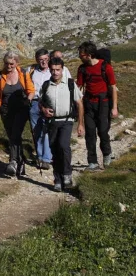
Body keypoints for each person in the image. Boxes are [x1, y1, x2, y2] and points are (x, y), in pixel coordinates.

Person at [40, 56, 84, 192]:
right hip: (52, 122)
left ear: (62, 69)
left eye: (58, 70)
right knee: (54, 150)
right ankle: (57, 179)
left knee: (63, 146)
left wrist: (80, 124)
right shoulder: (46, 85)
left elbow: (79, 103)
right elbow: (40, 103)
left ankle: (67, 175)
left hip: (67, 121)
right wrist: (44, 110)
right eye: (52, 70)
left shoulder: (70, 84)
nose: (55, 73)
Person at [0, 51, 35, 176]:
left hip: (21, 109)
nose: (8, 66)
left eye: (11, 64)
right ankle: (21, 163)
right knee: (13, 137)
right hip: (5, 111)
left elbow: (31, 91)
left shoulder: (23, 73)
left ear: (17, 63)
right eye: (6, 63)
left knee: (15, 134)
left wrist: (28, 100)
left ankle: (13, 162)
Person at [76, 41, 118, 170]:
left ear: (89, 55)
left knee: (103, 131)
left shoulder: (106, 67)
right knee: (90, 134)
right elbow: (79, 87)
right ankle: (92, 162)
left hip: (103, 104)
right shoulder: (82, 69)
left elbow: (113, 87)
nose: (80, 57)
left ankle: (107, 155)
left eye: (81, 55)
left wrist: (114, 107)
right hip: (89, 104)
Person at [26, 48, 52, 170]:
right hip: (34, 103)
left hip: (49, 103)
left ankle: (46, 158)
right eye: (41, 60)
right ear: (37, 60)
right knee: (36, 131)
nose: (43, 62)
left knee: (47, 130)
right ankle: (40, 156)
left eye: (46, 59)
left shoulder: (53, 71)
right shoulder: (31, 70)